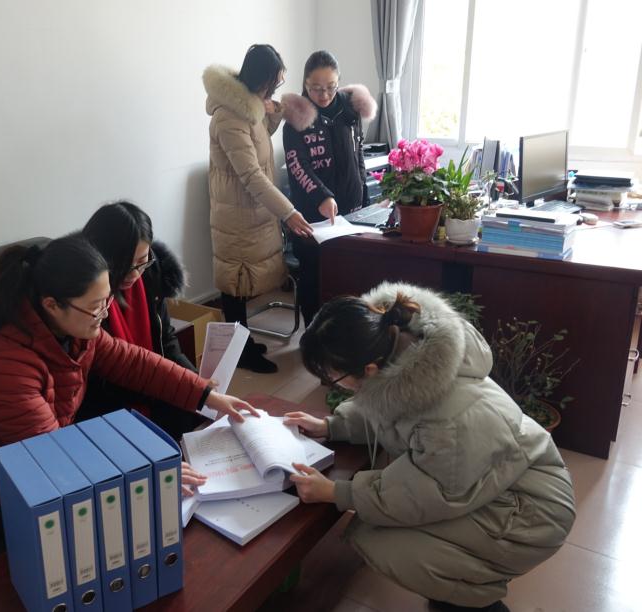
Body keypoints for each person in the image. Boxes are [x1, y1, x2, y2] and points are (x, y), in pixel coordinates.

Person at [0, 234, 258, 538]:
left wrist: (206, 394)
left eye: (107, 299)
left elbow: (135, 363)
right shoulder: (4, 363)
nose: (106, 313)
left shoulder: (74, 328)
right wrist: (150, 473)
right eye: (96, 307)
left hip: (3, 454)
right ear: (52, 305)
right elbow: (54, 457)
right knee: (88, 520)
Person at [284, 282, 576, 612]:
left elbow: (424, 491)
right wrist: (331, 426)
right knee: (381, 521)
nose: (330, 385)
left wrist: (337, 492)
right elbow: (390, 409)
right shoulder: (404, 346)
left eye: (332, 378)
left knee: (379, 540)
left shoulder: (449, 421)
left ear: (368, 369)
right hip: (495, 476)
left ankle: (473, 602)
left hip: (530, 512)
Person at [203, 43, 313, 374]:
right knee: (235, 283)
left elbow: (262, 135)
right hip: (236, 214)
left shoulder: (248, 108)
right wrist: (288, 212)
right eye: (272, 84)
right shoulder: (228, 117)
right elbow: (250, 174)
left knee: (242, 282)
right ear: (260, 79)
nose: (274, 90)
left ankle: (244, 343)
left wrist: (273, 110)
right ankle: (240, 353)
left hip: (251, 210)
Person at [81, 200, 205, 438]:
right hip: (108, 402)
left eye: (142, 261)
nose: (135, 273)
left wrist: (195, 381)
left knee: (194, 415)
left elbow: (166, 340)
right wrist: (177, 388)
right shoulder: (87, 300)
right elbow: (99, 379)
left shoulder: (152, 275)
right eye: (125, 265)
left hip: (150, 381)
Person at [281, 50, 377, 325]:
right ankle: (314, 334)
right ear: (305, 83)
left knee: (349, 277)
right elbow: (298, 165)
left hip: (350, 209)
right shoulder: (296, 119)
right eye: (316, 88)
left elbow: (358, 153)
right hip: (312, 216)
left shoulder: (350, 111)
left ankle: (346, 333)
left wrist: (363, 190)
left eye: (331, 87)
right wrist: (322, 196)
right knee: (314, 277)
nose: (324, 95)